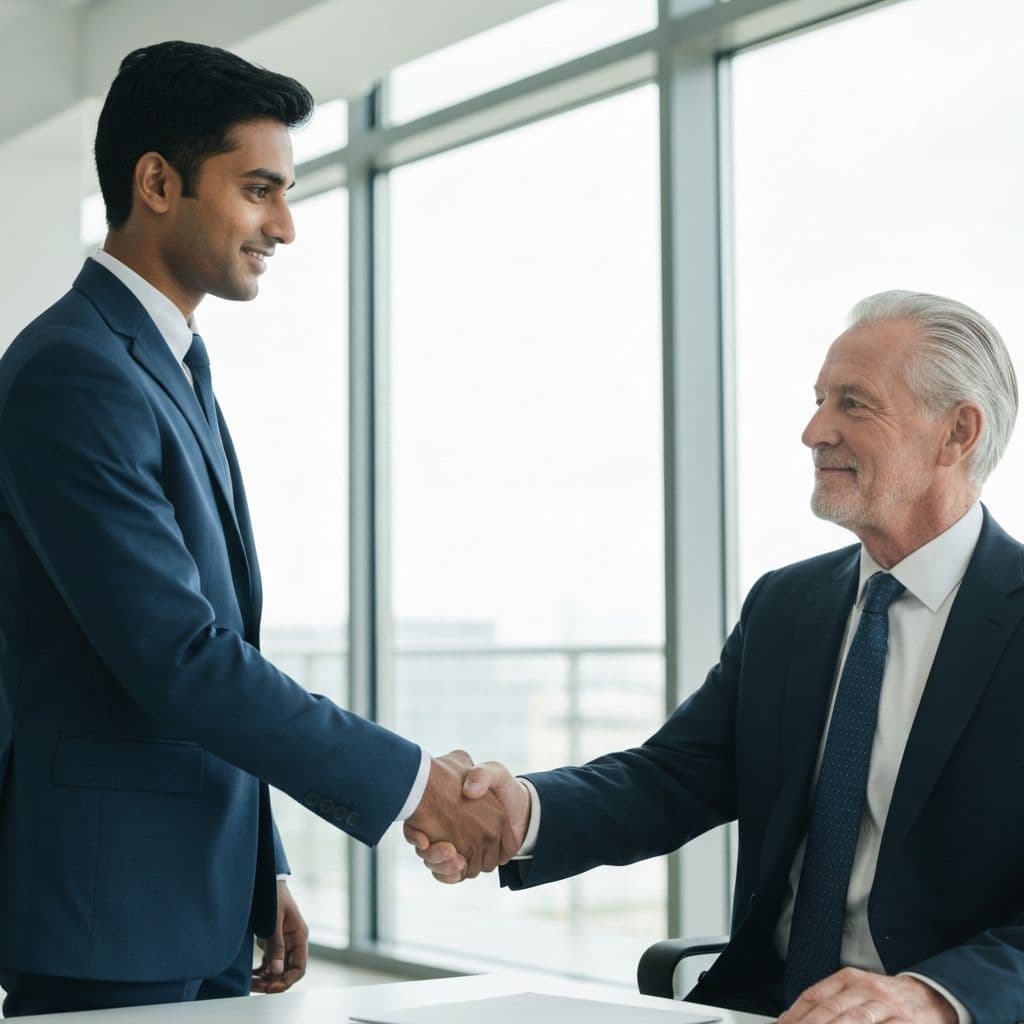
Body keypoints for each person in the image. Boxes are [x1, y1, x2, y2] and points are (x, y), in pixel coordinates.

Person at [0, 40, 514, 1018]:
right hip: (108, 911)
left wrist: (256, 863)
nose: (283, 225)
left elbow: (212, 650)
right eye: (259, 188)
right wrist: (412, 783)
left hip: (192, 894)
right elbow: (178, 657)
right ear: (157, 182)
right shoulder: (75, 373)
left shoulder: (170, 362)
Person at [409, 291, 1024, 1024]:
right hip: (759, 1007)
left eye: (853, 405)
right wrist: (526, 812)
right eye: (819, 400)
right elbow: (674, 778)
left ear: (957, 433)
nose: (813, 431)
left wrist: (934, 997)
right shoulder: (788, 606)